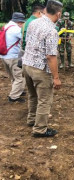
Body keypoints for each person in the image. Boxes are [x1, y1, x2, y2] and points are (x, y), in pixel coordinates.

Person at [22, 0, 63, 137]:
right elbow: (51, 56)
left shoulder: (33, 22)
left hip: (27, 65)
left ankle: (32, 119)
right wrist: (56, 78)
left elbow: (27, 42)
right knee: (45, 100)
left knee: (33, 95)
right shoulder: (52, 31)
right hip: (40, 69)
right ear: (58, 14)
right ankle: (40, 129)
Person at [0, 12, 26, 103]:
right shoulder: (16, 29)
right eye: (22, 23)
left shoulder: (6, 26)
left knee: (13, 76)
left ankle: (18, 90)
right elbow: (25, 39)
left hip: (4, 55)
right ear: (19, 22)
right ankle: (14, 97)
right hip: (13, 57)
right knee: (20, 77)